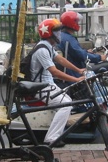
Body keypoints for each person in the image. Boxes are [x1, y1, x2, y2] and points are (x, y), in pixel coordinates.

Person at [30, 18, 85, 147]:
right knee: (66, 104)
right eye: (56, 32)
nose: (59, 34)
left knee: (68, 99)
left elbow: (60, 60)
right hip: (41, 87)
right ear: (49, 33)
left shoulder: (48, 46)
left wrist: (78, 70)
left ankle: (56, 128)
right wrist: (76, 79)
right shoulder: (42, 49)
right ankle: (52, 138)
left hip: (47, 84)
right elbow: (54, 72)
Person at [58, 11, 106, 79]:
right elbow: (81, 55)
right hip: (73, 72)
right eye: (76, 22)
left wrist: (86, 51)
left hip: (69, 69)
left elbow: (75, 51)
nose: (78, 24)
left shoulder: (63, 35)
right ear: (71, 23)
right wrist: (100, 57)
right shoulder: (68, 39)